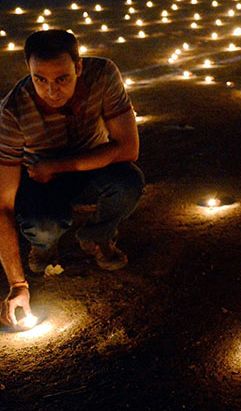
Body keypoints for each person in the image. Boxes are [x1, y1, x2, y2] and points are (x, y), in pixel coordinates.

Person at [1, 30, 143, 327]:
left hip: (87, 164)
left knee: (128, 183)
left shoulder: (103, 74)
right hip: (40, 179)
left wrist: (56, 165)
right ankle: (43, 246)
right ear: (28, 70)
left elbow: (129, 148)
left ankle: (97, 237)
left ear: (78, 67)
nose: (51, 91)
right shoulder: (12, 112)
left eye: (62, 78)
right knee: (43, 226)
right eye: (40, 79)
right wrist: (17, 285)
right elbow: (3, 205)